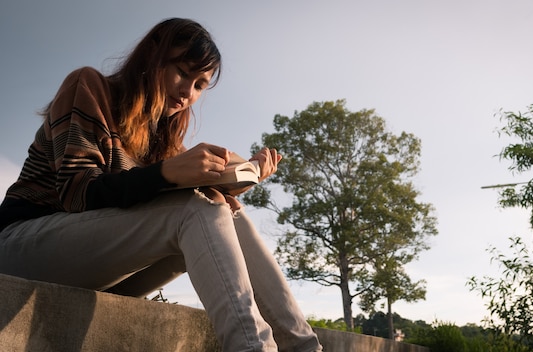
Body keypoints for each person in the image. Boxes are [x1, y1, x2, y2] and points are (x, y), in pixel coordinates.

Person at [0, 18, 322, 352]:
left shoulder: (163, 138)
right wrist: (166, 174)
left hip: (99, 270)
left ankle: (304, 347)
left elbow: (163, 204)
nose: (187, 93)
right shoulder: (90, 86)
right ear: (152, 56)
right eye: (182, 72)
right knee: (197, 207)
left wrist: (225, 187)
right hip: (20, 247)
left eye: (199, 85)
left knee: (224, 211)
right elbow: (77, 192)